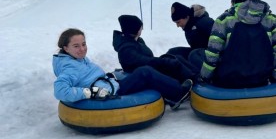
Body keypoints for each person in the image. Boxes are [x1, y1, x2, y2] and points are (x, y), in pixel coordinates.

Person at [53, 28, 192, 110]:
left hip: (110, 84)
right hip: (109, 93)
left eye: (83, 44)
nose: (82, 49)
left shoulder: (77, 59)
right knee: (145, 72)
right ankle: (178, 94)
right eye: (76, 46)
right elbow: (60, 90)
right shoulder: (69, 68)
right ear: (66, 48)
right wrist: (91, 93)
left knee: (143, 72)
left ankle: (169, 90)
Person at [198, 0, 276, 89]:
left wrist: (205, 77)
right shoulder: (272, 20)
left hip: (228, 79)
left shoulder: (224, 20)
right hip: (262, 78)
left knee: (195, 55)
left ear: (233, 3)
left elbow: (213, 52)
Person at [113, 15, 197, 83]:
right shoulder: (126, 49)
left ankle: (196, 76)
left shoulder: (137, 41)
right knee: (173, 63)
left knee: (175, 56)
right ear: (135, 29)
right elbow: (143, 61)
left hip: (149, 68)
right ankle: (194, 82)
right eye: (140, 27)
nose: (142, 28)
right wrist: (163, 61)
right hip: (145, 73)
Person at [167, 2, 214, 67]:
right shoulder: (188, 26)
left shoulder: (203, 22)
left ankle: (199, 75)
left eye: (178, 22)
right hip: (198, 54)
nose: (177, 25)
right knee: (173, 53)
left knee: (194, 55)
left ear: (186, 17)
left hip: (214, 56)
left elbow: (220, 38)